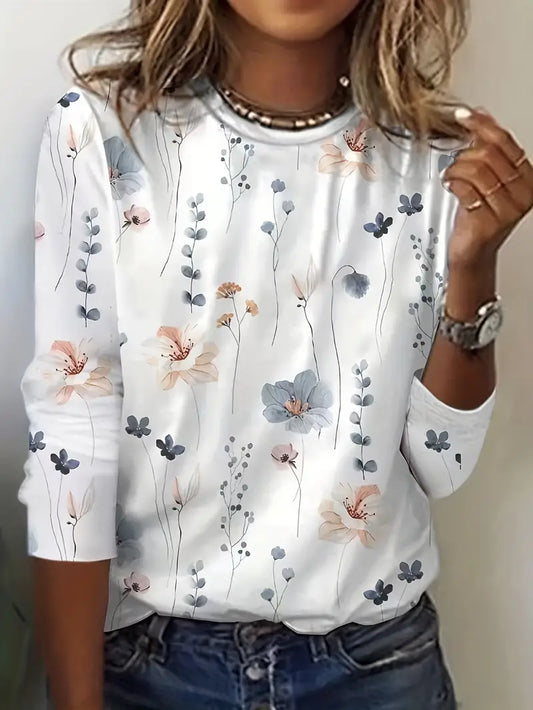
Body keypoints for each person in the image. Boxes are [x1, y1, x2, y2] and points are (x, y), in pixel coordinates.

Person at [19, 1, 533, 709]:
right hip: (150, 667)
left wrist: (473, 266)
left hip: (376, 667)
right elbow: (71, 444)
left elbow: (439, 465)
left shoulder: (442, 160)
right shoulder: (103, 131)